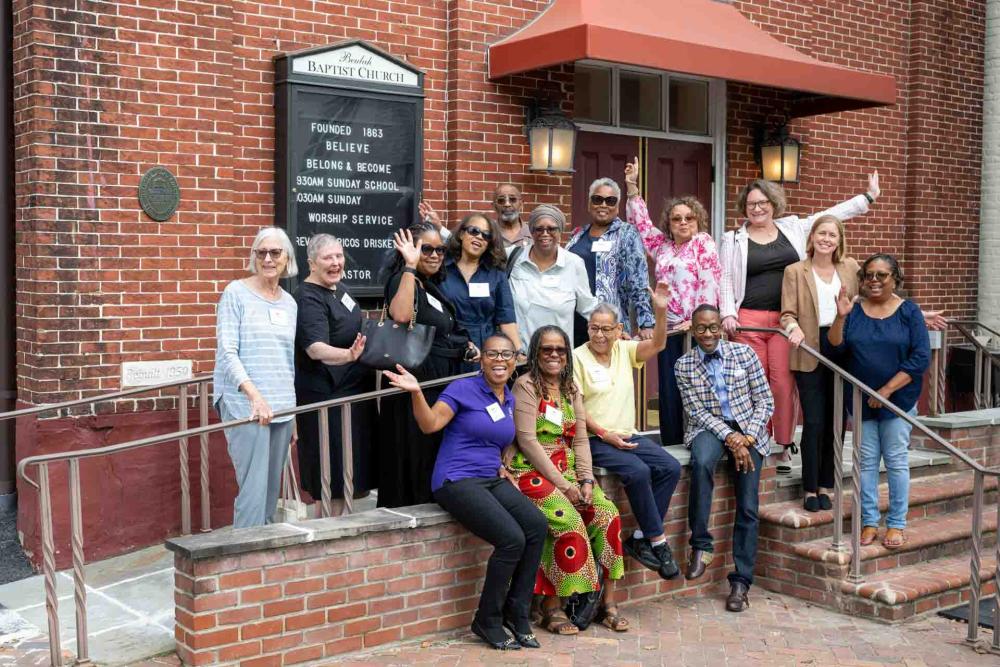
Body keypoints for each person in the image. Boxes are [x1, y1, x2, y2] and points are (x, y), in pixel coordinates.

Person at [383, 333, 546, 651]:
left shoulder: (508, 398)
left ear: (515, 360)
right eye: (492, 354)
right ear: (481, 359)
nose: (499, 360)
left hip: (491, 478)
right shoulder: (462, 389)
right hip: (456, 480)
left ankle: (518, 613)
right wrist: (417, 392)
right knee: (511, 539)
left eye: (506, 354)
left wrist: (503, 461)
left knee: (537, 527)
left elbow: (503, 436)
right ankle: (487, 619)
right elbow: (430, 424)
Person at [719, 173, 879, 465]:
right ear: (744, 207)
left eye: (763, 203)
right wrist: (728, 313)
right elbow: (726, 279)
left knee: (782, 384)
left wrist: (865, 199)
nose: (757, 209)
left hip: (786, 322)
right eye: (752, 204)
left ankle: (782, 445)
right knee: (754, 384)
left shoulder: (792, 227)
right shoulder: (733, 239)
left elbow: (828, 217)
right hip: (748, 321)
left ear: (773, 204)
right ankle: (756, 440)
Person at [507, 325, 628, 635]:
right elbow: (527, 440)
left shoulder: (570, 388)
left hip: (571, 471)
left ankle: (608, 604)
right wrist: (565, 486)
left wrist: (586, 480)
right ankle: (552, 607)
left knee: (607, 515)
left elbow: (581, 440)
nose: (554, 355)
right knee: (567, 522)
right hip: (533, 472)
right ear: (535, 352)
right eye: (547, 349)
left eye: (560, 349)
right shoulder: (526, 386)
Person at [573, 283, 682, 580]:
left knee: (670, 467)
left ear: (618, 329)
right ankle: (658, 543)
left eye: (606, 329)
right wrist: (603, 433)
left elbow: (658, 345)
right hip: (595, 438)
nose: (599, 335)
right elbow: (575, 408)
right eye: (594, 328)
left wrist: (660, 311)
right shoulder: (577, 357)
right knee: (638, 472)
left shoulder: (624, 349)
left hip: (628, 434)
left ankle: (639, 539)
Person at [674, 304, 774, 612]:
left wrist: (749, 438)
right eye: (701, 328)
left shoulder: (744, 355)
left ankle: (741, 582)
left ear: (722, 327)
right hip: (708, 427)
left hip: (749, 429)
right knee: (702, 461)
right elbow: (697, 412)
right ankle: (700, 546)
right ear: (692, 330)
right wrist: (731, 439)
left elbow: (765, 400)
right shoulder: (684, 365)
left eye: (713, 327)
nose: (708, 334)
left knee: (747, 505)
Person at [828, 254, 929, 550]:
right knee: (866, 463)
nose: (874, 280)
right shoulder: (854, 311)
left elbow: (920, 358)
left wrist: (885, 391)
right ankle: (869, 521)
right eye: (869, 275)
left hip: (897, 400)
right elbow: (834, 350)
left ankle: (896, 524)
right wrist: (841, 316)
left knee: (896, 461)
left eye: (882, 275)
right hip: (860, 400)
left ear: (895, 279)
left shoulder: (909, 312)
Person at [376, 222, 477, 508]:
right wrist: (409, 266)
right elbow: (401, 314)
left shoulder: (431, 285)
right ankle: (410, 509)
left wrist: (465, 346)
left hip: (439, 379)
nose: (435, 255)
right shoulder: (403, 279)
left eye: (440, 250)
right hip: (416, 379)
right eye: (426, 249)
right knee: (414, 449)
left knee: (431, 448)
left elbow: (443, 328)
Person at [624, 157, 721, 446]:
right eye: (676, 218)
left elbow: (709, 279)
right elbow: (642, 227)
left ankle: (698, 439)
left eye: (688, 218)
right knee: (669, 385)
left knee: (695, 384)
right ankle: (671, 441)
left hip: (694, 328)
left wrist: (700, 319)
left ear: (698, 220)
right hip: (668, 327)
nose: (682, 223)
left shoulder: (703, 243)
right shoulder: (663, 246)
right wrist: (632, 189)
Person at [213, 226, 299, 528]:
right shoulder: (235, 293)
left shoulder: (290, 303)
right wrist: (254, 396)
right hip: (245, 404)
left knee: (270, 492)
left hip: (281, 406)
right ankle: (243, 565)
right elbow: (227, 352)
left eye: (275, 252)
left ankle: (262, 562)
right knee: (252, 490)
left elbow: (287, 360)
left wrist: (293, 412)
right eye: (260, 252)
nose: (267, 258)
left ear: (287, 258)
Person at [780, 216, 859, 512]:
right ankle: (810, 488)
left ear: (840, 240)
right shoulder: (795, 271)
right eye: (822, 233)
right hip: (809, 348)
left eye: (832, 235)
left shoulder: (850, 268)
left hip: (842, 347)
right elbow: (786, 313)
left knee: (837, 421)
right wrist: (792, 328)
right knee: (813, 421)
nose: (826, 239)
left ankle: (826, 484)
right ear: (812, 237)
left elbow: (873, 299)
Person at [293, 234, 371, 514]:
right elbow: (315, 348)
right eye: (328, 258)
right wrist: (349, 355)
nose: (336, 263)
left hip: (351, 395)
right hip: (327, 398)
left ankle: (340, 533)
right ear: (311, 262)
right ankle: (326, 535)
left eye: (339, 256)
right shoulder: (307, 297)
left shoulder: (340, 290)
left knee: (345, 475)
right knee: (330, 473)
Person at [566, 177, 654, 344]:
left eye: (610, 201)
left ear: (618, 206)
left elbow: (638, 280)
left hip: (608, 327)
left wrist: (646, 322)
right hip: (574, 323)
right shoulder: (577, 236)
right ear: (589, 204)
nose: (603, 205)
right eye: (597, 199)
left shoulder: (627, 234)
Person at [431, 210, 523, 362]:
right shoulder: (440, 268)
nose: (479, 237)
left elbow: (506, 317)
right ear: (461, 234)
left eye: (486, 235)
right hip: (447, 348)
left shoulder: (496, 274)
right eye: (474, 231)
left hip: (485, 351)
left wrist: (518, 351)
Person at [508, 205, 599, 348]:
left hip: (557, 357)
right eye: (539, 229)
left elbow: (588, 306)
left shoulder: (574, 263)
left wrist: (613, 327)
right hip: (520, 358)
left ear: (560, 231)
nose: (545, 233)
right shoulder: (512, 258)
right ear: (531, 232)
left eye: (551, 229)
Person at [493, 183, 533, 248]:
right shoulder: (486, 233)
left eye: (512, 199)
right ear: (494, 206)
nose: (507, 204)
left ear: (521, 204)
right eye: (501, 200)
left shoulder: (533, 234)